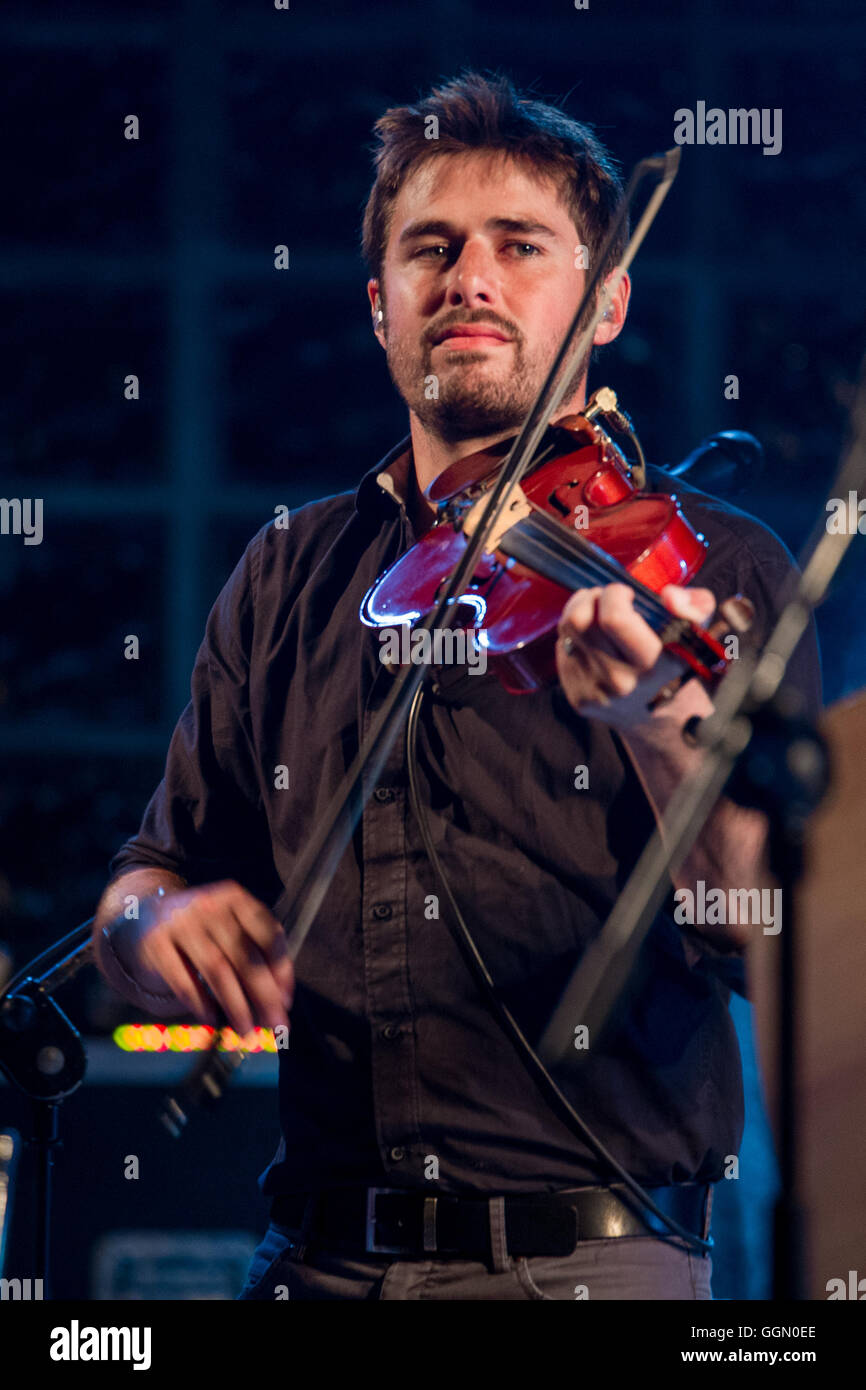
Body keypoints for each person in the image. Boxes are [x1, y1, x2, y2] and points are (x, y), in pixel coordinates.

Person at [91, 70, 821, 1301]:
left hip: (592, 1261)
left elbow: (774, 939)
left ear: (602, 305)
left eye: (518, 246)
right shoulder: (290, 571)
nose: (468, 279)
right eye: (430, 249)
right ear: (380, 308)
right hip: (314, 1257)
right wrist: (155, 930)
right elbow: (142, 881)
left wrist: (660, 731)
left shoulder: (712, 564)